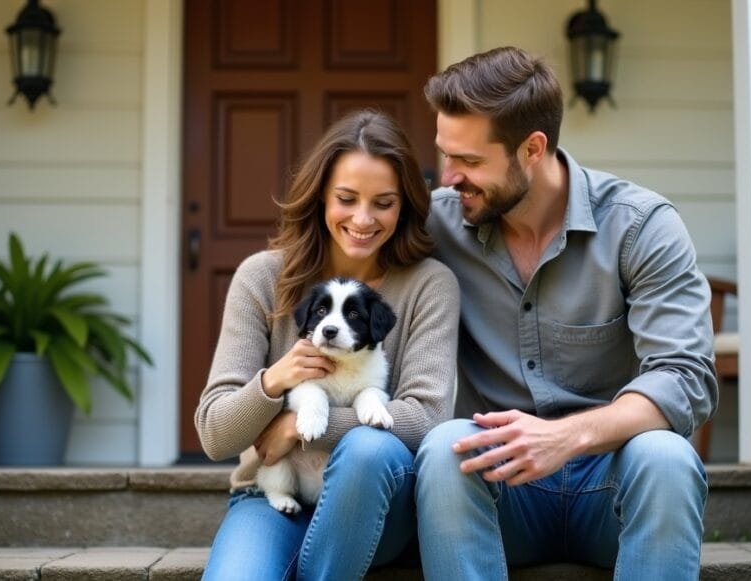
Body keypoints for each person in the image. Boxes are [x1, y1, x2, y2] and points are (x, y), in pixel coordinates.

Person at [414, 46, 718, 579]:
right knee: (444, 449)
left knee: (668, 459)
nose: (449, 176)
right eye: (445, 154)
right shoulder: (437, 224)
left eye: (469, 160)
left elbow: (686, 378)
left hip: (612, 488)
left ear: (532, 148)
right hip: (503, 495)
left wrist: (564, 437)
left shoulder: (639, 226)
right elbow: (337, 251)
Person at [195, 110, 460, 580]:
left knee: (368, 451)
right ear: (320, 196)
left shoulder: (428, 285)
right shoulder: (261, 278)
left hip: (380, 500)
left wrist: (295, 427)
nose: (363, 218)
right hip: (276, 494)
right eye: (346, 198)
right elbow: (216, 435)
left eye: (383, 202)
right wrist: (278, 379)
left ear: (404, 208)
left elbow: (426, 420)